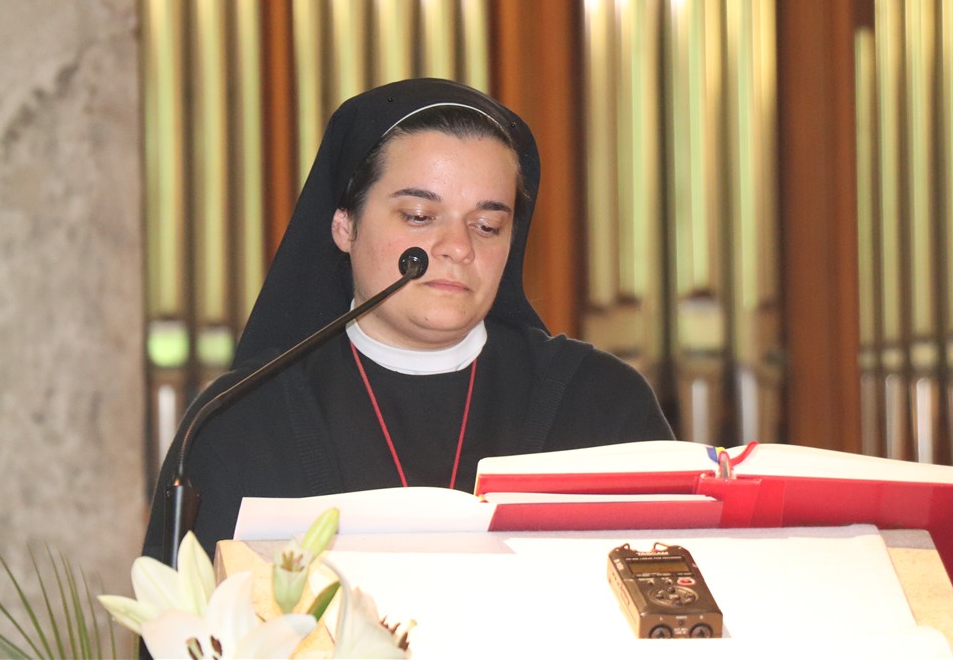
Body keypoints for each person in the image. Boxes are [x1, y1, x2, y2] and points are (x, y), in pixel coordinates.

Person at [143, 78, 673, 558]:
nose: (457, 247)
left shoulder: (602, 405)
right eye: (420, 216)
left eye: (487, 226)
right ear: (344, 226)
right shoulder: (240, 421)